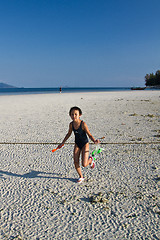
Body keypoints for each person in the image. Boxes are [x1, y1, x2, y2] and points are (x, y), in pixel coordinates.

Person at [58, 106, 100, 183]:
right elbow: (68, 134)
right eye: (72, 114)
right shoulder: (71, 124)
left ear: (79, 115)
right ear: (70, 115)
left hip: (85, 144)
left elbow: (89, 135)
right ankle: (81, 176)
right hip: (77, 144)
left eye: (75, 114)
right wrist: (62, 143)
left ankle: (90, 160)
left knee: (84, 164)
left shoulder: (83, 124)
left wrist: (94, 140)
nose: (73, 116)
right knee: (75, 161)